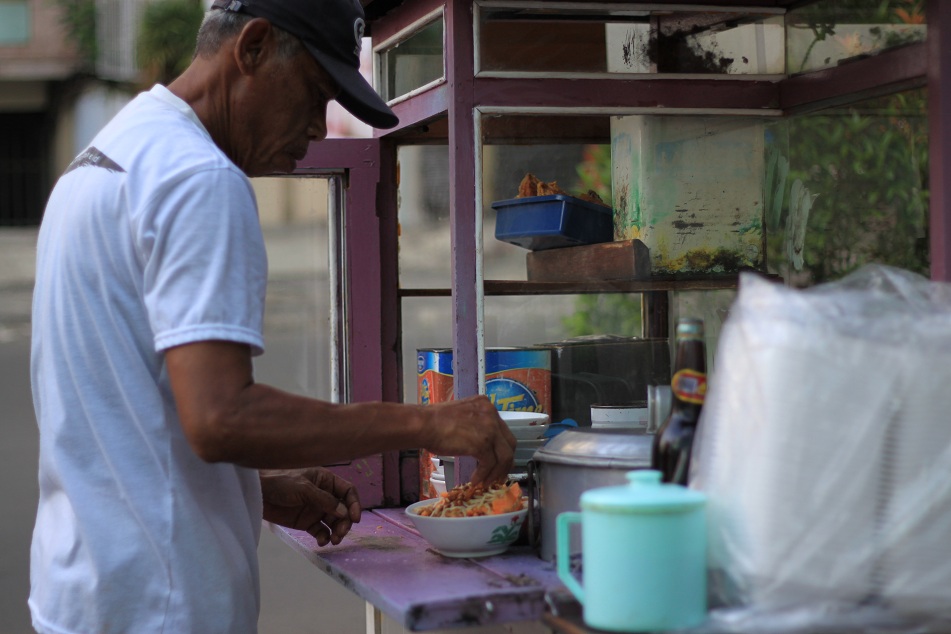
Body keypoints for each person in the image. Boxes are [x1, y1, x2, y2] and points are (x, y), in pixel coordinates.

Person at [28, 1, 516, 632]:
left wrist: (249, 489)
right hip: (162, 608)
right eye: (315, 93)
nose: (320, 125)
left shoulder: (102, 160)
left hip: (80, 598)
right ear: (252, 48)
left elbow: (120, 411)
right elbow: (222, 417)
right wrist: (427, 421)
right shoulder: (200, 179)